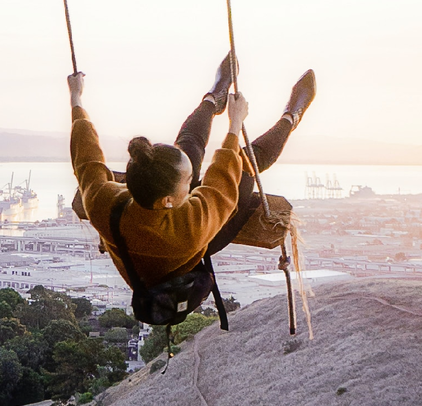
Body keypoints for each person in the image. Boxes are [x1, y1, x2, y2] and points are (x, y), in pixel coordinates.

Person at [69, 54, 315, 291]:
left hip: (146, 248)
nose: (194, 181)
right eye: (189, 181)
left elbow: (86, 158)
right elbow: (223, 178)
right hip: (187, 261)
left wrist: (76, 98)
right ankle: (291, 118)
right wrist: (235, 123)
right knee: (247, 163)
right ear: (168, 201)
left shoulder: (103, 201)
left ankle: (212, 99)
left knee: (188, 144)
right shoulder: (189, 227)